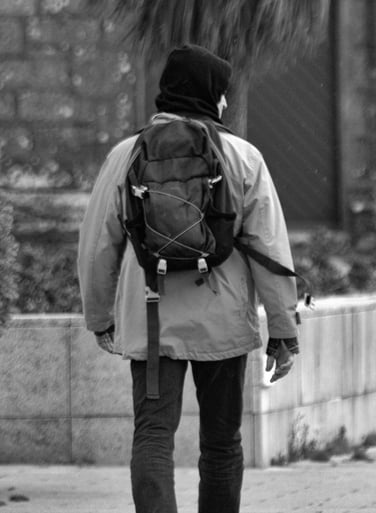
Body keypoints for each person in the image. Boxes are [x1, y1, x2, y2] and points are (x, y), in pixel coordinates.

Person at [78, 44, 299, 513]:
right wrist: (283, 330)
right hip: (221, 321)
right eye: (222, 94)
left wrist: (100, 316)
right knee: (221, 442)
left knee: (154, 435)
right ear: (211, 96)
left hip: (151, 318)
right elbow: (270, 249)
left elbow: (98, 243)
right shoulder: (242, 157)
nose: (224, 103)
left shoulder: (126, 154)